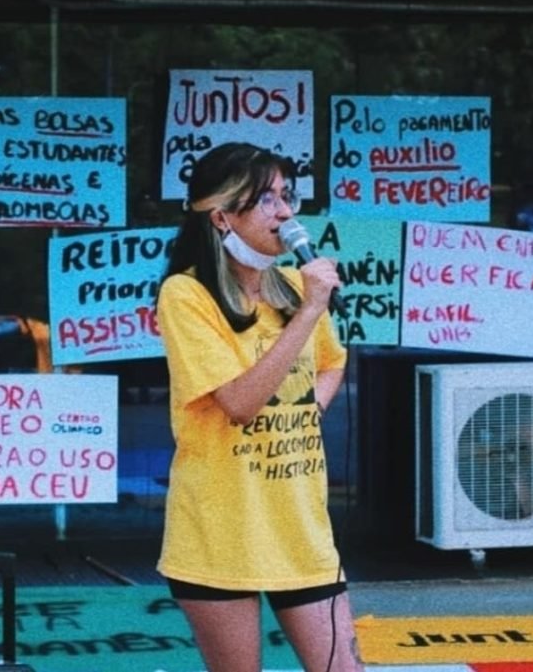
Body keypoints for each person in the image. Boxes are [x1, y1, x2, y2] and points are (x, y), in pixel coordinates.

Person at [155, 142, 363, 672]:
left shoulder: (293, 286)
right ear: (222, 217)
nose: (286, 212)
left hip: (299, 527)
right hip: (221, 532)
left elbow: (332, 362)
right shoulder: (187, 295)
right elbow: (240, 403)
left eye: (286, 196)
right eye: (266, 200)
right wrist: (310, 309)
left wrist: (305, 409)